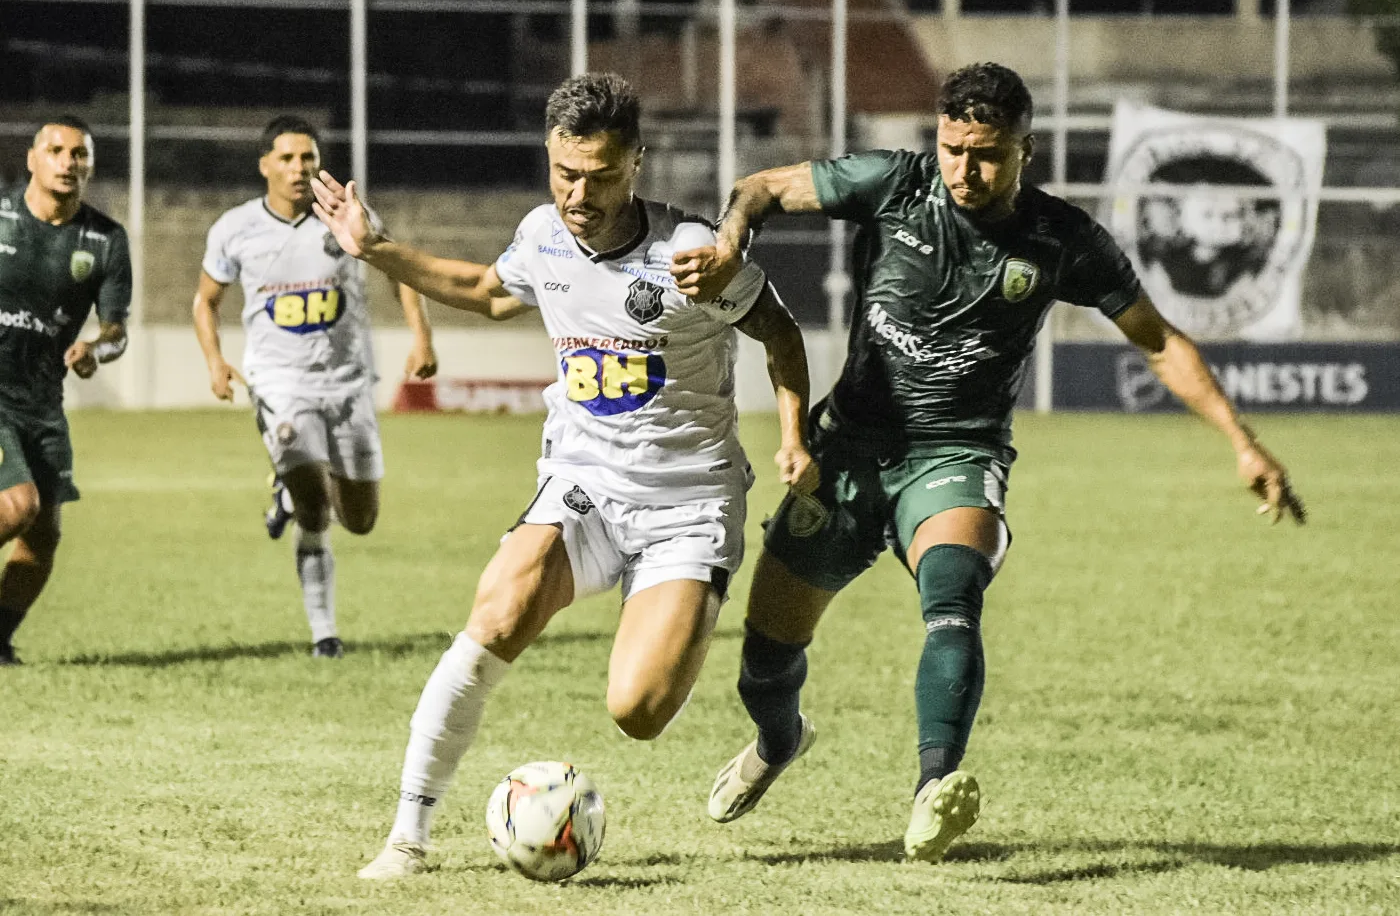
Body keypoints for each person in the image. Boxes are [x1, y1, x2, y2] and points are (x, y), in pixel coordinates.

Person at [675, 62, 1307, 862]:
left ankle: (932, 788)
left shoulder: (1060, 239)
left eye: (986, 154)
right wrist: (730, 244)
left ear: (1023, 150)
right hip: (849, 451)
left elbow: (1157, 339)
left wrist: (1239, 439)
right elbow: (759, 187)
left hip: (957, 451)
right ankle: (777, 741)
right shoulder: (893, 186)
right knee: (763, 660)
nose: (965, 171)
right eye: (951, 149)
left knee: (952, 591)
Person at [310, 72, 816, 879]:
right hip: (584, 481)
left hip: (685, 503)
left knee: (638, 712)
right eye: (565, 173)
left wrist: (794, 437)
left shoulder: (687, 253)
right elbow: (485, 289)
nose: (579, 193)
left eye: (601, 176)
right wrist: (374, 248)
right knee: (499, 605)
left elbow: (781, 333)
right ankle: (407, 835)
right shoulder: (543, 234)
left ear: (637, 164)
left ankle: (770, 717)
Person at [192, 116, 438, 659]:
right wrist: (215, 362)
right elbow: (205, 301)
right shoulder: (235, 229)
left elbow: (400, 273)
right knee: (313, 508)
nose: (299, 168)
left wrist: (420, 338)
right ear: (265, 166)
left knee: (362, 520)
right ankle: (324, 632)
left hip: (349, 384)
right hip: (280, 385)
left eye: (308, 158)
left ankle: (288, 487)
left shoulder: (349, 218)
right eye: (287, 158)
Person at [0, 117, 132, 665]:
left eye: (79, 154)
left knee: (44, 534)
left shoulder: (105, 239)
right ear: (32, 159)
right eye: (56, 150)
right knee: (17, 505)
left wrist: (94, 349)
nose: (68, 161)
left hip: (41, 402)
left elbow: (116, 330)